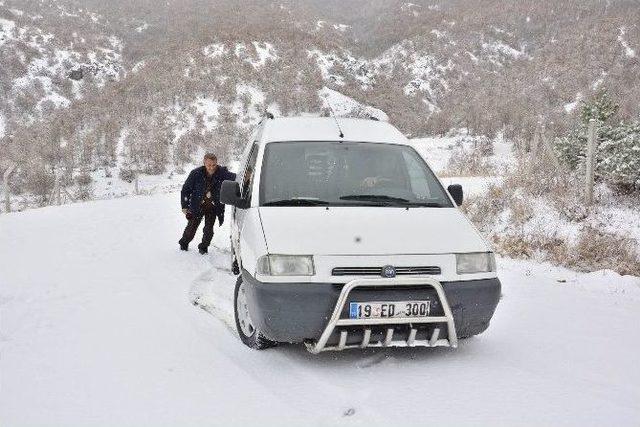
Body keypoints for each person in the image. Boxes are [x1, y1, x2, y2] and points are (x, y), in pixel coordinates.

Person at [179, 153, 236, 254]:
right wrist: (184, 206)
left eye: (214, 165)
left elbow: (237, 178)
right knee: (191, 228)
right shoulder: (195, 173)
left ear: (216, 163)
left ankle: (204, 247)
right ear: (204, 163)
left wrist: (249, 175)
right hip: (197, 206)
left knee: (209, 230)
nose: (211, 167)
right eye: (209, 165)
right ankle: (184, 243)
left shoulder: (222, 173)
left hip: (213, 207)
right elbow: (185, 190)